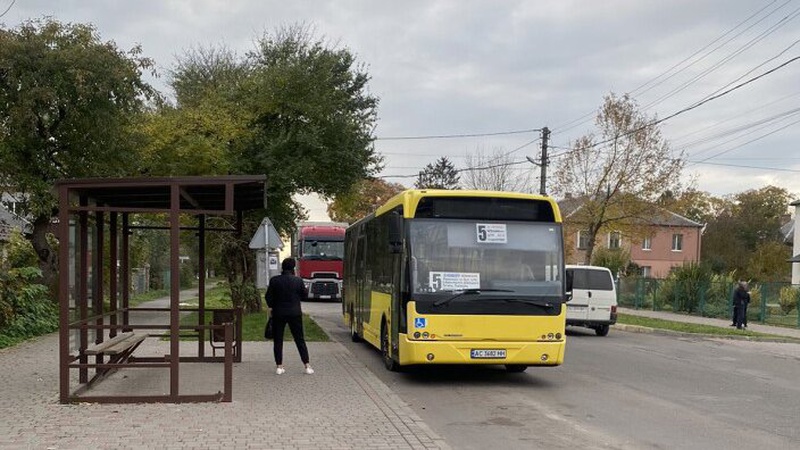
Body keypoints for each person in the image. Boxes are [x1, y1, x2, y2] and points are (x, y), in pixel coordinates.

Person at [265, 258, 313, 375]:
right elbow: (304, 295)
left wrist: (273, 306)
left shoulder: (274, 281)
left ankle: (279, 366)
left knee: (278, 340)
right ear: (293, 268)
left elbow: (268, 297)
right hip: (295, 313)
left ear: (282, 267)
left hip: (278, 313)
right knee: (299, 339)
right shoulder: (298, 281)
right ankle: (307, 365)